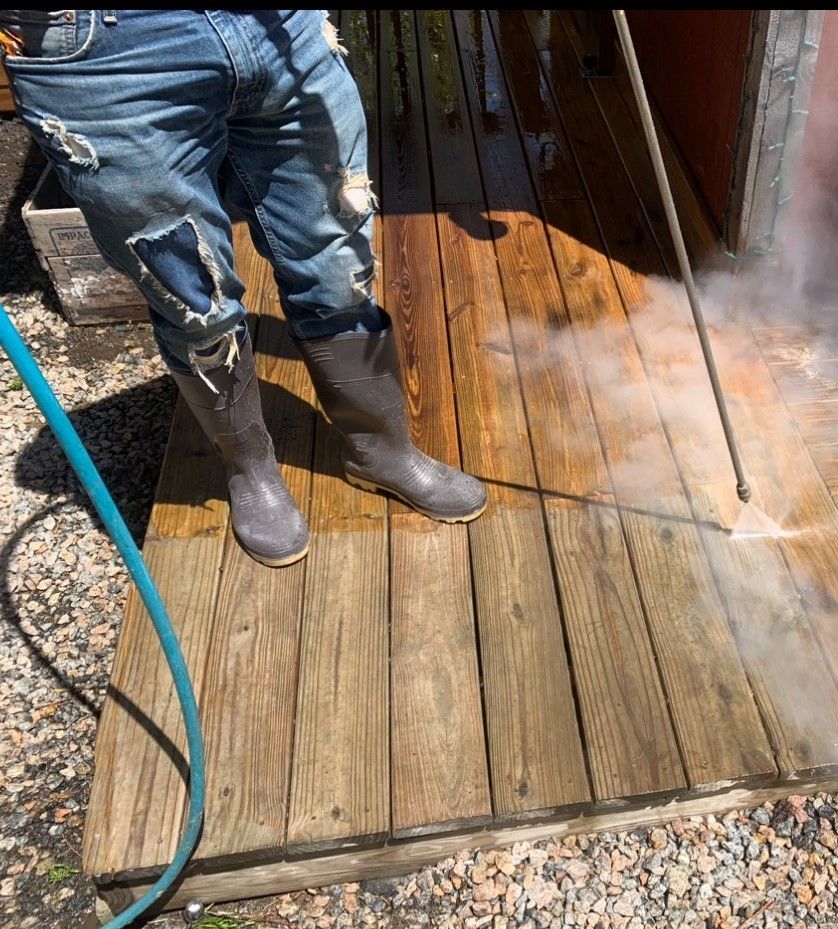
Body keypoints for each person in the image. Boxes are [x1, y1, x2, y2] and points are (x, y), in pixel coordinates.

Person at [1, 9, 487, 567]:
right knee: (195, 303)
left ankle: (382, 452)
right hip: (105, 54)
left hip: (280, 28)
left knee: (339, 270)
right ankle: (251, 471)